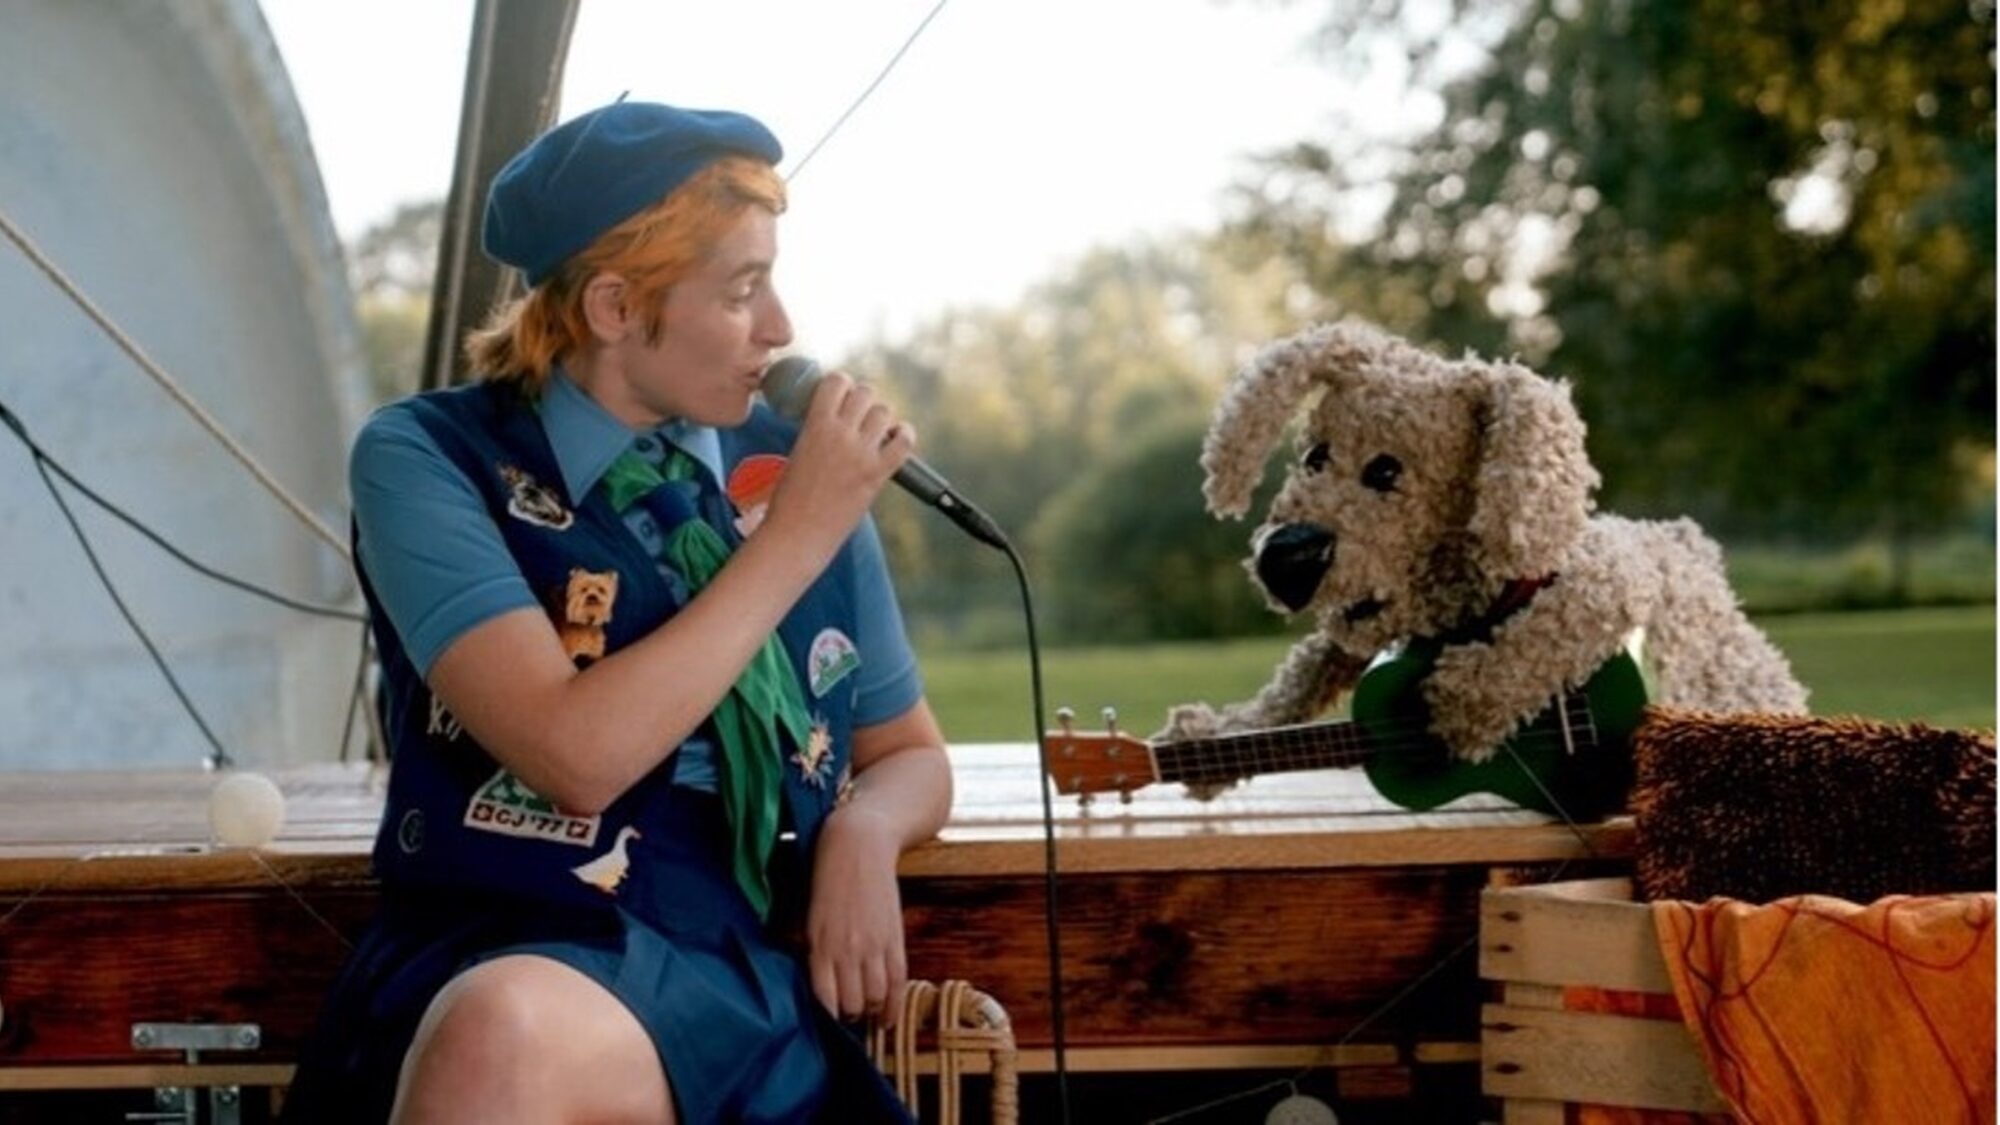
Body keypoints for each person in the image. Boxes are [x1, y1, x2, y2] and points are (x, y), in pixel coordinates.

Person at [285, 100, 952, 1125]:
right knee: (501, 1029)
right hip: (497, 934)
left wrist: (863, 834)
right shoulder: (426, 457)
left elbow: (907, 750)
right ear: (612, 307)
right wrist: (795, 537)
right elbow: (576, 756)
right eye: (741, 290)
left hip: (724, 962)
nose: (779, 329)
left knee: (513, 1035)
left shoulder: (790, 467)